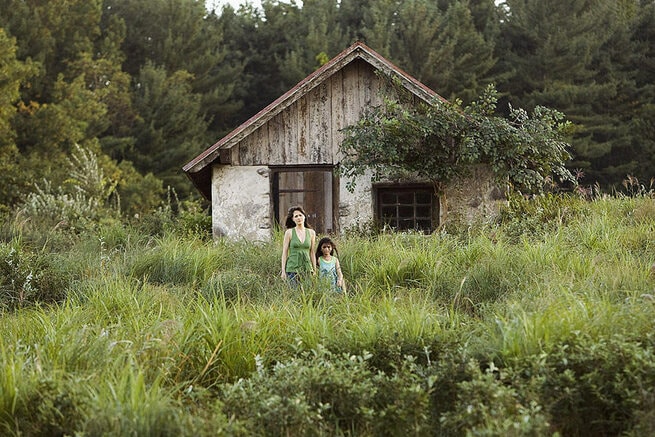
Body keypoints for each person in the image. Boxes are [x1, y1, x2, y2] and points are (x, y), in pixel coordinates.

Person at [280, 206, 316, 286]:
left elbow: (312, 252)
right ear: (293, 219)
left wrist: (314, 270)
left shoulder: (311, 233)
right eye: (296, 216)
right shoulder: (289, 232)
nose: (299, 218)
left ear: (304, 216)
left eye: (300, 215)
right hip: (292, 268)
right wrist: (283, 271)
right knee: (293, 294)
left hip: (307, 268)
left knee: (307, 294)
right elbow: (284, 253)